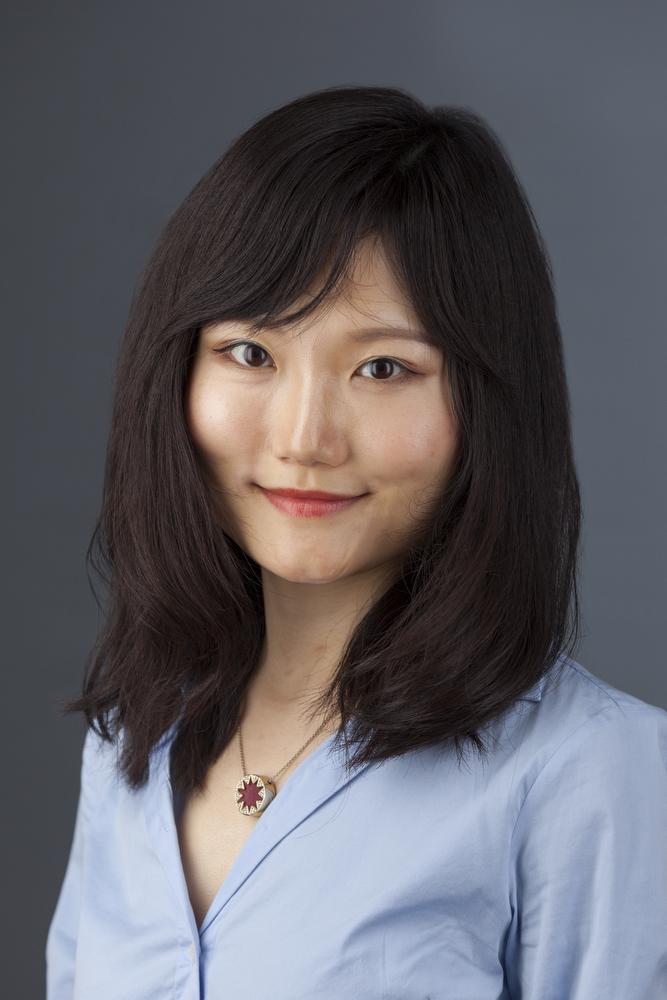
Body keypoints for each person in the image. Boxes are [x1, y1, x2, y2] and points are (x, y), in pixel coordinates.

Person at [45, 85, 667, 999]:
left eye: (383, 368)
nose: (304, 437)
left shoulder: (594, 771)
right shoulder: (130, 733)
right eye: (250, 352)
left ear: (488, 406)